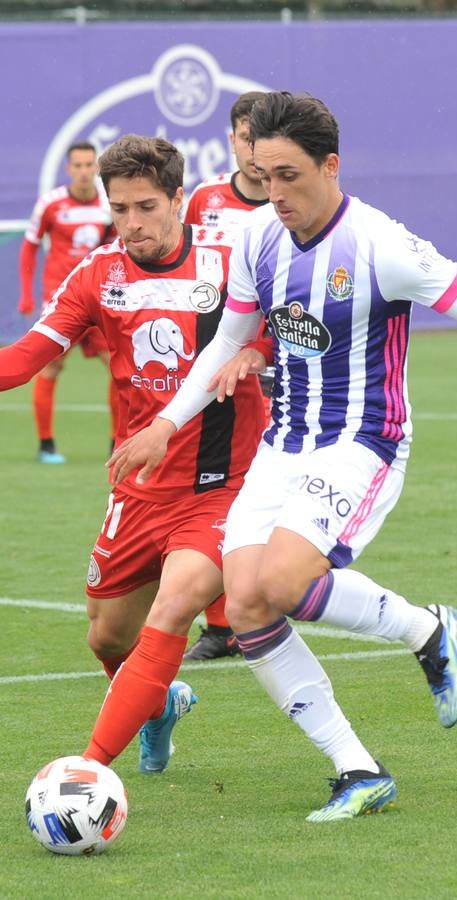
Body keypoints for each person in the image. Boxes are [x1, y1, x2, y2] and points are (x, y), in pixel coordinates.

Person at [107, 92, 457, 822]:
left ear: (331, 166)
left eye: (290, 176)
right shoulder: (256, 239)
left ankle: (428, 629)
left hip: (361, 444)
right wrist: (167, 424)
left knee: (283, 579)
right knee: (243, 606)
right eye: (264, 176)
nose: (276, 194)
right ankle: (356, 768)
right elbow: (228, 341)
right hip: (284, 444)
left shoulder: (382, 247)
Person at [0, 135, 271, 774]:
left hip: (220, 484)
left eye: (146, 206)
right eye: (120, 210)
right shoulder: (98, 273)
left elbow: (290, 332)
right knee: (107, 636)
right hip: (140, 484)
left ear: (180, 199)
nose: (133, 223)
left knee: (174, 607)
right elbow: (29, 356)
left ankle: (88, 771)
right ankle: (157, 705)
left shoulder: (232, 265)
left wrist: (257, 353)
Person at [179, 91, 271, 662]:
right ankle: (225, 622)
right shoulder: (206, 201)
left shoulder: (289, 206)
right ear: (232, 140)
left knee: (255, 485)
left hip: (277, 359)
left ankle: (252, 608)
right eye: (244, 137)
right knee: (215, 482)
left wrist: (262, 348)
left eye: (262, 138)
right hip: (213, 362)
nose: (253, 150)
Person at [18, 142, 121, 463]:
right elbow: (30, 247)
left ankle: (117, 442)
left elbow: (115, 247)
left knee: (119, 367)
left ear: (97, 168)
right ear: (68, 169)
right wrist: (27, 294)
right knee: (51, 366)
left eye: (89, 165)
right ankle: (46, 444)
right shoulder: (50, 204)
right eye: (77, 165)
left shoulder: (109, 205)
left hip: (99, 297)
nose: (83, 171)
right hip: (62, 300)